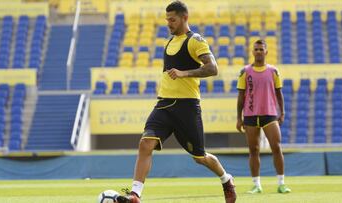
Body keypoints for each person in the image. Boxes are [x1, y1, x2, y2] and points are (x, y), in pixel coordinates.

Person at [116, 1, 237, 203]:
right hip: (164, 104)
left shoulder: (195, 40)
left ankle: (226, 179)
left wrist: (184, 73)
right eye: (167, 20)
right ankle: (135, 194)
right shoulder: (170, 41)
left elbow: (212, 68)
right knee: (145, 143)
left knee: (200, 157)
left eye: (172, 20)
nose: (169, 23)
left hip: (187, 107)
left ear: (184, 18)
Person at [236, 39, 291, 194]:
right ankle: (256, 185)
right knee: (253, 150)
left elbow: (279, 93)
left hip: (270, 114)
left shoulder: (273, 71)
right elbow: (241, 96)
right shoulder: (245, 72)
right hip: (250, 115)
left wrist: (283, 112)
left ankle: (281, 183)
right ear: (252, 52)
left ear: (266, 52)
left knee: (277, 147)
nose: (259, 51)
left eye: (261, 49)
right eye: (256, 49)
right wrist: (239, 118)